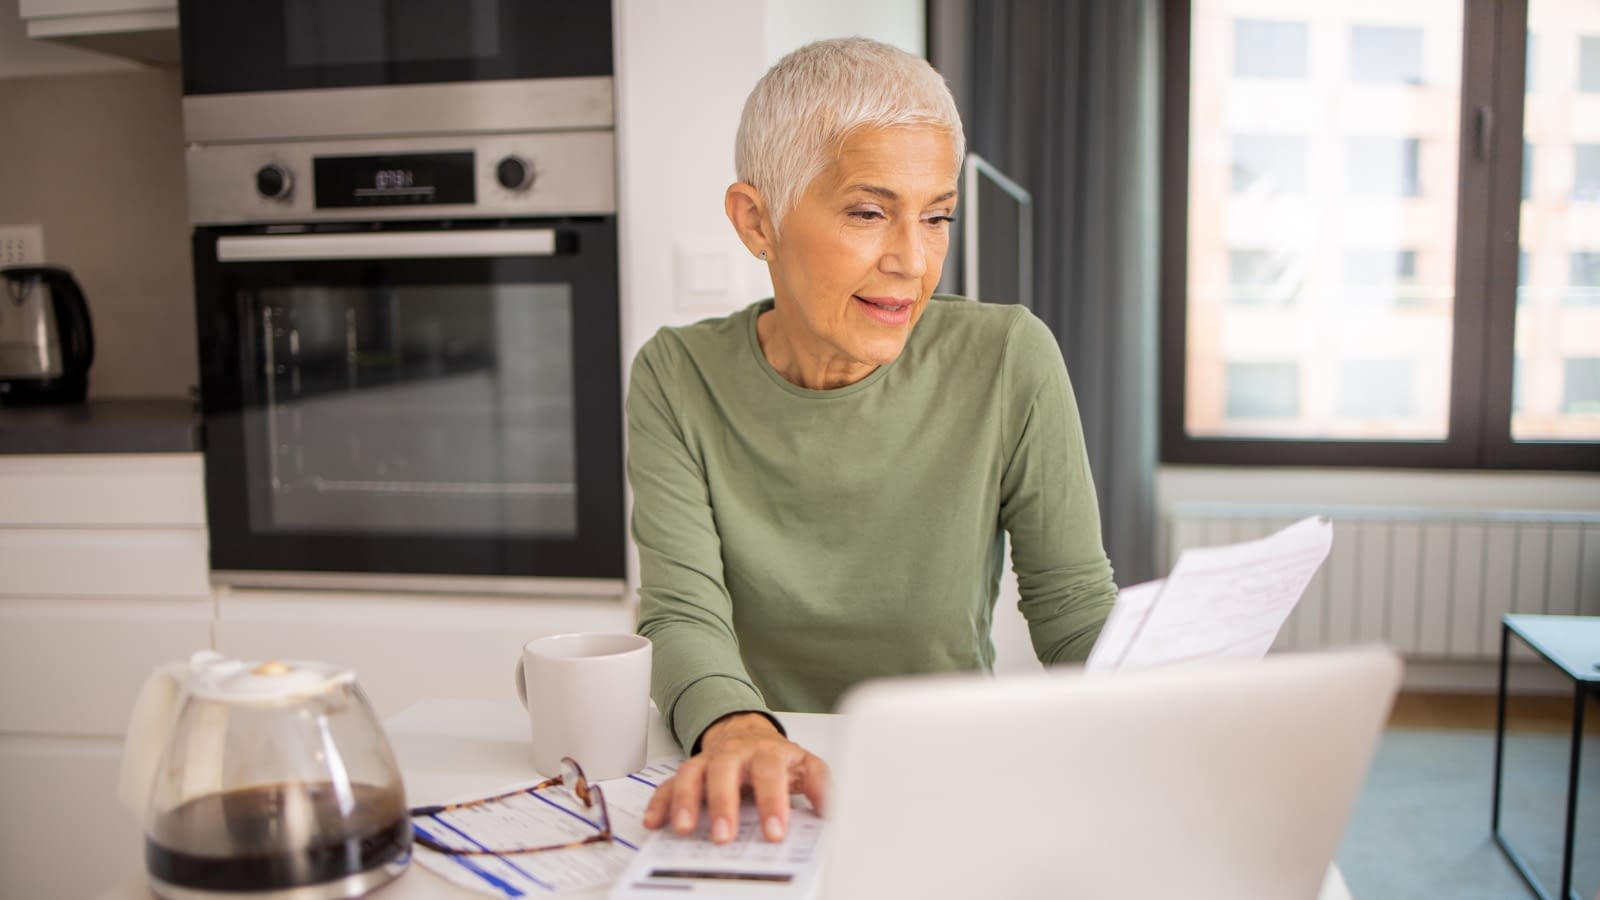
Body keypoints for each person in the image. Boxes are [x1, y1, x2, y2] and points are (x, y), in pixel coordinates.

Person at [627, 36, 1116, 847]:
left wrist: (1169, 716)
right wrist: (740, 729)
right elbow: (681, 611)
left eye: (937, 216)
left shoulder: (1009, 357)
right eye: (867, 212)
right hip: (755, 777)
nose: (914, 262)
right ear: (757, 220)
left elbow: (1072, 607)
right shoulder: (677, 376)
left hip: (946, 778)